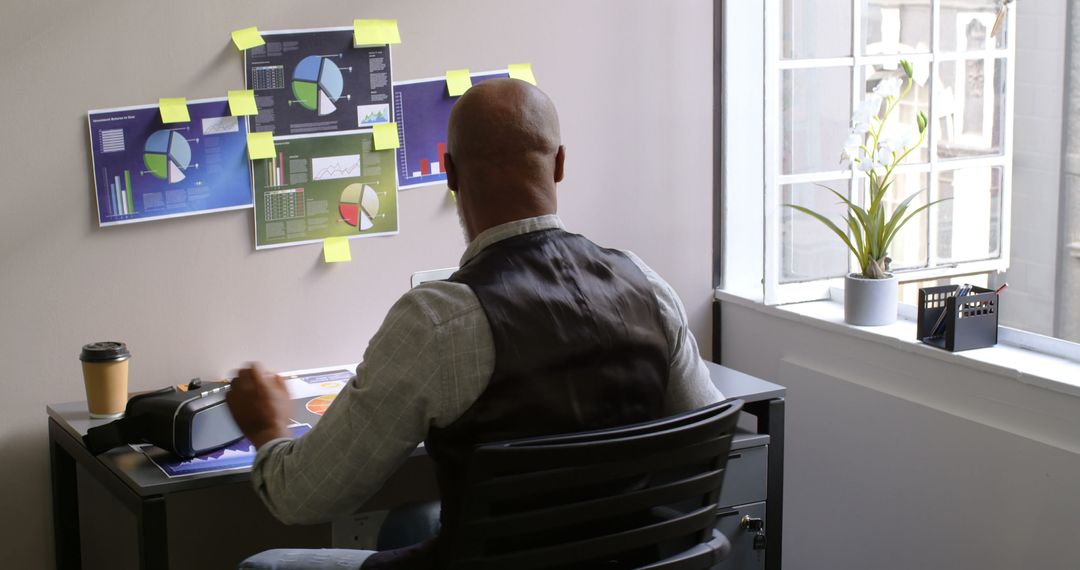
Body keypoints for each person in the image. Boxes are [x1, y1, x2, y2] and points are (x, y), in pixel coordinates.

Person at [228, 78, 723, 569]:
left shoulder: (438, 320)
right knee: (411, 523)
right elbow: (708, 439)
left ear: (450, 173)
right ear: (560, 164)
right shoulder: (647, 287)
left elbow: (305, 498)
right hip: (632, 560)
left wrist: (266, 427)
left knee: (264, 566)